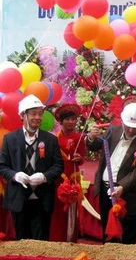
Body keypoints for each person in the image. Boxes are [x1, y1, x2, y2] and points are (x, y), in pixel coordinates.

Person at [86, 102, 136, 244]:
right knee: (108, 234)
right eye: (128, 125)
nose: (130, 130)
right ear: (122, 121)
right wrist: (91, 137)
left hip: (128, 196)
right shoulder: (113, 131)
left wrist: (122, 187)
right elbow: (94, 146)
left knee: (127, 238)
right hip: (105, 190)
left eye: (135, 128)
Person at [0, 94, 64, 240]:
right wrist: (15, 175)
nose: (38, 117)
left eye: (40, 114)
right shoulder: (10, 139)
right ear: (23, 115)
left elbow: (59, 165)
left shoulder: (50, 139)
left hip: (42, 199)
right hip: (18, 199)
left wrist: (45, 176)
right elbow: (2, 165)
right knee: (22, 241)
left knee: (41, 242)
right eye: (33, 114)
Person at [50, 102, 86, 242]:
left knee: (71, 207)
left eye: (73, 119)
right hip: (58, 177)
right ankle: (56, 237)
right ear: (61, 121)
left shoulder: (79, 137)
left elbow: (82, 158)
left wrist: (79, 158)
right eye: (67, 119)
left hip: (72, 177)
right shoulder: (54, 138)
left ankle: (71, 237)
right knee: (57, 208)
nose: (71, 122)